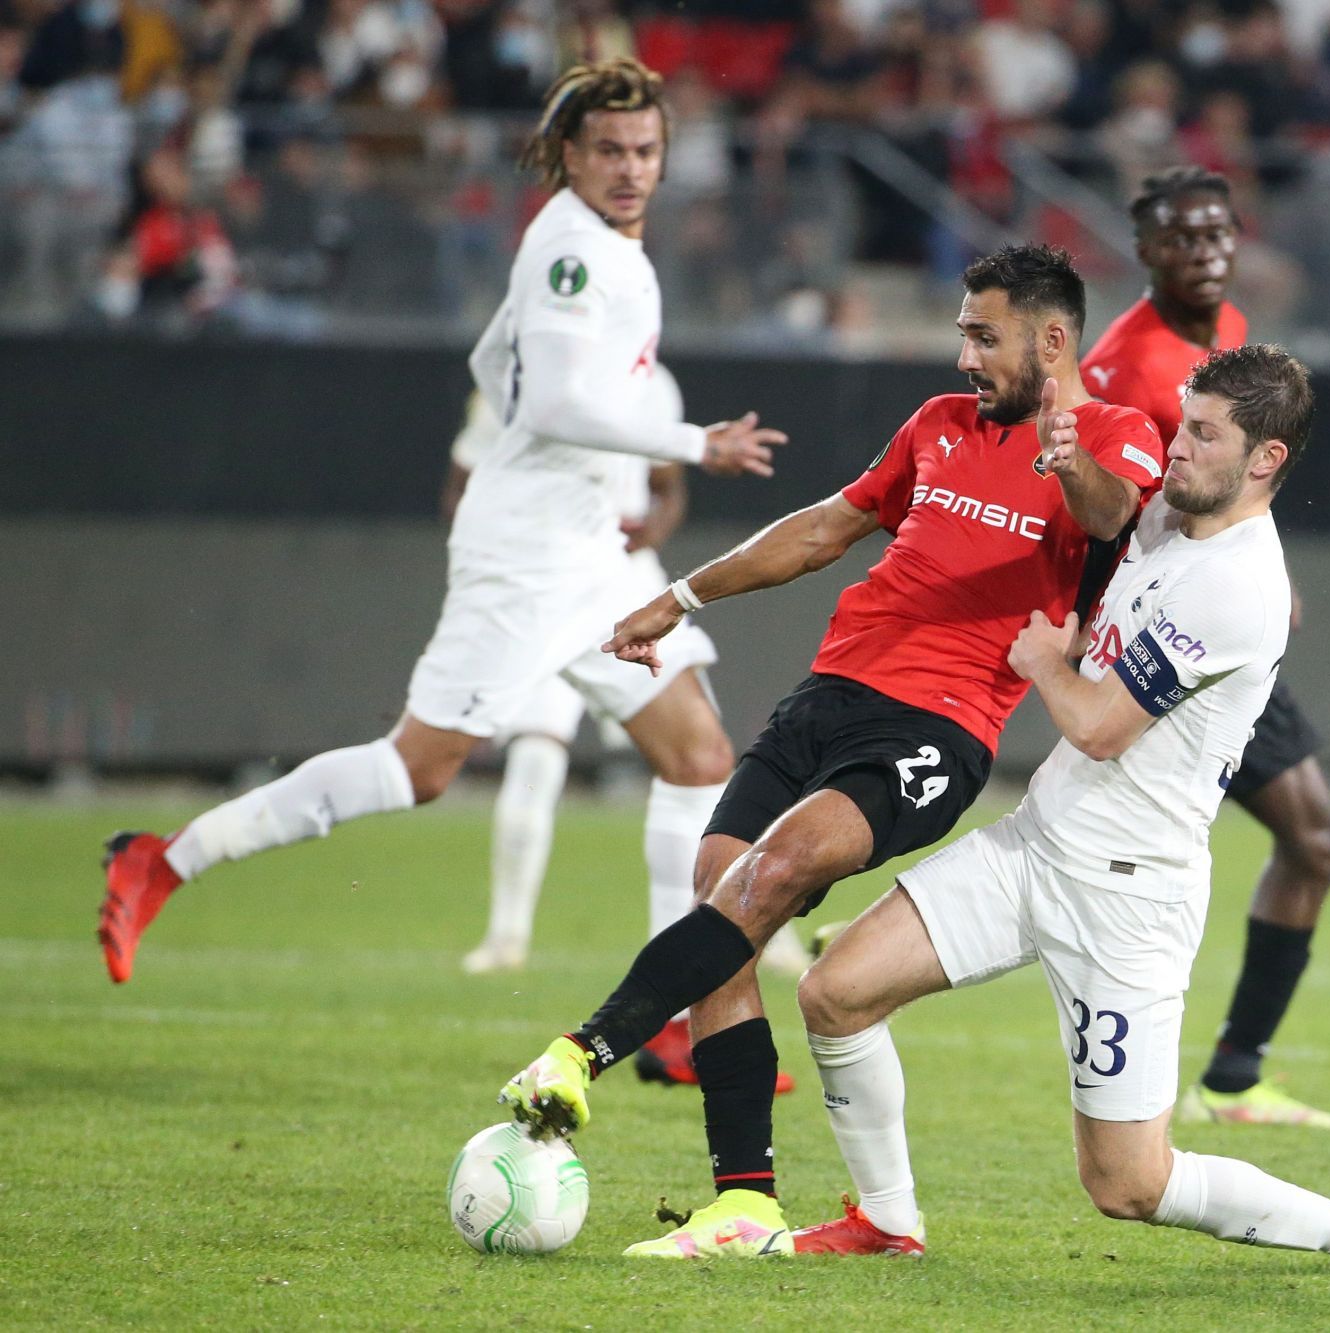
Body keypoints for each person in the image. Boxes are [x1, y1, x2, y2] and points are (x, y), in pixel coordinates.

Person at [498, 243, 1167, 1259]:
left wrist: (1067, 452)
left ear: (1054, 339)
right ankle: (744, 1199)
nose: (965, 359)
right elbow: (825, 530)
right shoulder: (938, 428)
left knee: (777, 870)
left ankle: (576, 1053)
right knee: (724, 886)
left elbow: (1112, 516)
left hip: (937, 728)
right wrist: (677, 598)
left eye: (985, 337)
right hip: (828, 696)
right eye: (963, 334)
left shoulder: (1116, 436)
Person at [97, 57, 786, 984]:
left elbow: (490, 355)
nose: (631, 167)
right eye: (610, 149)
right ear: (568, 156)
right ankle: (163, 859)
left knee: (700, 753)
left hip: (589, 549)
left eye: (647, 149)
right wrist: (692, 442)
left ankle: (668, 1010)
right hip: (528, 552)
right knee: (417, 769)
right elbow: (546, 403)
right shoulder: (573, 250)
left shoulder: (603, 248)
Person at [789, 344, 1330, 1269]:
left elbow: (1095, 724)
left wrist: (1046, 658)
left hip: (1127, 898)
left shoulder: (1236, 586)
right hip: (1034, 846)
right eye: (1182, 423)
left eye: (1205, 435)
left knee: (1128, 1185)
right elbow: (1113, 517)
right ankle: (888, 1223)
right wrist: (1067, 453)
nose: (1178, 448)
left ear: (1266, 460)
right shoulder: (1174, 517)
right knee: (835, 993)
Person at [440, 384, 809, 1089]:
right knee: (496, 760)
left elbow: (665, 487)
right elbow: (462, 483)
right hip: (541, 589)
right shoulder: (517, 381)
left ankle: (680, 1010)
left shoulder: (647, 378)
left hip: (619, 589)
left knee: (701, 760)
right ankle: (509, 935)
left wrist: (655, 529)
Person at [1080, 166, 1330, 1129]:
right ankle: (1232, 1079)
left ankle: (1235, 1074)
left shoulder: (1228, 338)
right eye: (1183, 238)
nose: (1206, 251)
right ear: (1146, 252)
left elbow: (1223, 496)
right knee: (1307, 838)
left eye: (1218, 232)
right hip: (1172, 636)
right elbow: (1113, 514)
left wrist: (1259, 576)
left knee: (1313, 840)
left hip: (1212, 622)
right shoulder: (1126, 365)